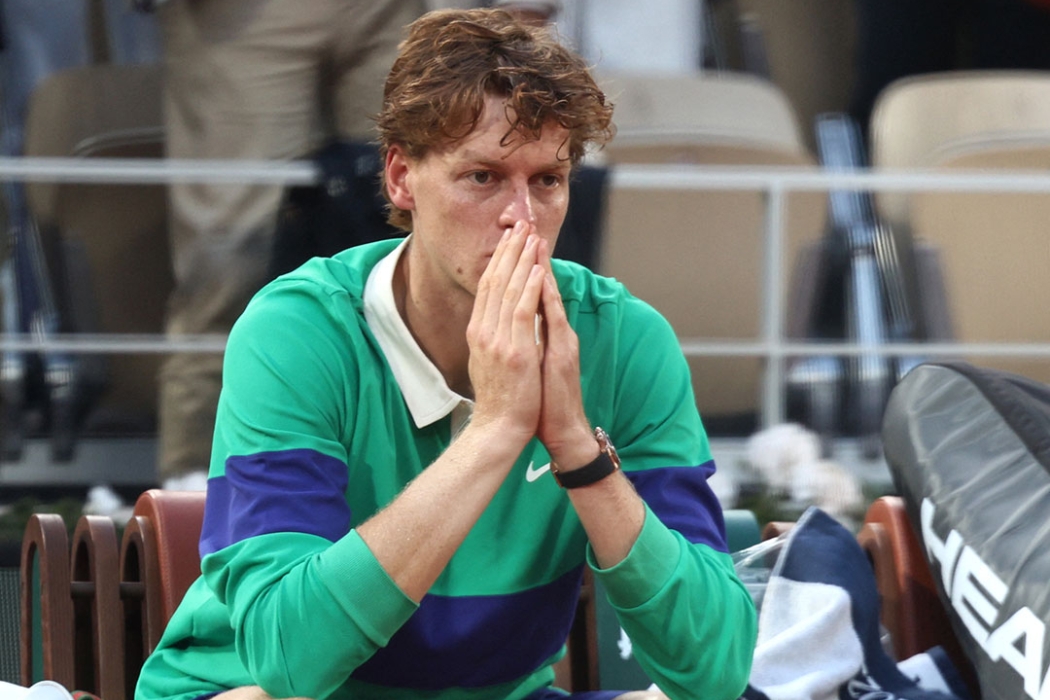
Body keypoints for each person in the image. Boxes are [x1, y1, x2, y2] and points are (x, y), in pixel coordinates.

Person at [135, 8, 756, 700]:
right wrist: (495, 431)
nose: (522, 218)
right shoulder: (298, 330)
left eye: (547, 180)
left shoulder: (625, 338)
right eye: (483, 177)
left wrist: (577, 449)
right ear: (401, 177)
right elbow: (289, 659)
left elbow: (715, 672)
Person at [153, 0, 427, 491]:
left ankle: (416, 467)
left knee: (415, 228)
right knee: (229, 252)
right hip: (243, 16)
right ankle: (197, 478)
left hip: (398, 11)